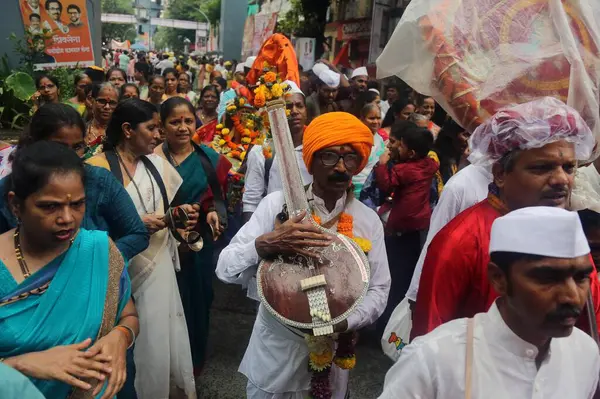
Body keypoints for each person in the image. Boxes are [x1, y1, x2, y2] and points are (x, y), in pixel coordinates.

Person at [217, 112, 391, 398]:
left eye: (349, 158)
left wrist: (344, 322)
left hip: (333, 356)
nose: (340, 167)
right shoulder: (277, 205)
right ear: (311, 162)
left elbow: (380, 289)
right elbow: (224, 268)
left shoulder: (366, 220)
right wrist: (265, 244)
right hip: (277, 355)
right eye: (330, 157)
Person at [411, 97, 600, 339]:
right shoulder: (461, 242)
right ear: (500, 173)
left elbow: (590, 320)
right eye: (542, 168)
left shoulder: (571, 236)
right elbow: (428, 342)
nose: (561, 179)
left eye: (569, 167)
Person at [380, 207, 600, 398]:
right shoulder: (434, 359)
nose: (572, 296)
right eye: (548, 278)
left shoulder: (585, 353)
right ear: (499, 279)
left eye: (581, 278)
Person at [0, 141, 139, 398]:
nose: (67, 218)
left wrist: (120, 337)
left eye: (77, 204)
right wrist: (18, 365)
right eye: (49, 206)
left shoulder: (99, 250)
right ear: (15, 205)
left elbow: (128, 315)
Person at [87, 99, 197, 398]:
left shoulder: (157, 163)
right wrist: (135, 226)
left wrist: (178, 215)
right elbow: (89, 227)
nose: (158, 135)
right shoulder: (97, 168)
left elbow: (167, 207)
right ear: (127, 129)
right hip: (119, 264)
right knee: (126, 335)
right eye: (151, 128)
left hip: (157, 262)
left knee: (157, 334)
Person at [0, 103, 149, 261]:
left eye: (78, 147)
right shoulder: (10, 188)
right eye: (60, 147)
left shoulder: (99, 180)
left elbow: (137, 234)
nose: (71, 156)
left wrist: (95, 262)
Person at [155, 97, 231, 375]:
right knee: (160, 300)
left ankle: (193, 361)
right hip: (159, 241)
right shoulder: (151, 159)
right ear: (162, 126)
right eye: (175, 122)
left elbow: (218, 200)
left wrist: (213, 213)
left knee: (197, 299)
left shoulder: (211, 160)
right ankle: (163, 362)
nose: (183, 128)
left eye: (188, 121)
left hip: (196, 244)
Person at [374, 124, 438, 330]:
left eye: (399, 146)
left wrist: (382, 163)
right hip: (418, 230)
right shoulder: (429, 165)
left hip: (399, 230)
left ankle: (384, 324)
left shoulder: (404, 170)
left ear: (410, 153)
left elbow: (385, 185)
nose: (396, 149)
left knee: (392, 276)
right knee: (407, 276)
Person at [242, 81, 311, 225]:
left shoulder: (317, 148)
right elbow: (251, 202)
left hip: (313, 225)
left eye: (299, 106)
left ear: (306, 110)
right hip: (273, 228)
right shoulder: (262, 151)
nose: (294, 111)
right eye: (288, 106)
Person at [429, 118, 472, 206]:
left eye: (472, 136)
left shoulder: (460, 157)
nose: (470, 140)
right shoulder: (432, 158)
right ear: (451, 134)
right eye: (466, 135)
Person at [352, 103, 385, 197]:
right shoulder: (356, 139)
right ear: (362, 119)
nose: (376, 121)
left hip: (374, 188)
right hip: (356, 188)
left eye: (378, 118)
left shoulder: (380, 139)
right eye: (371, 118)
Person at [84, 83, 119, 159]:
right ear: (92, 101)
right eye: (102, 101)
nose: (107, 107)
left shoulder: (121, 133)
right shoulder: (82, 130)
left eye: (112, 103)